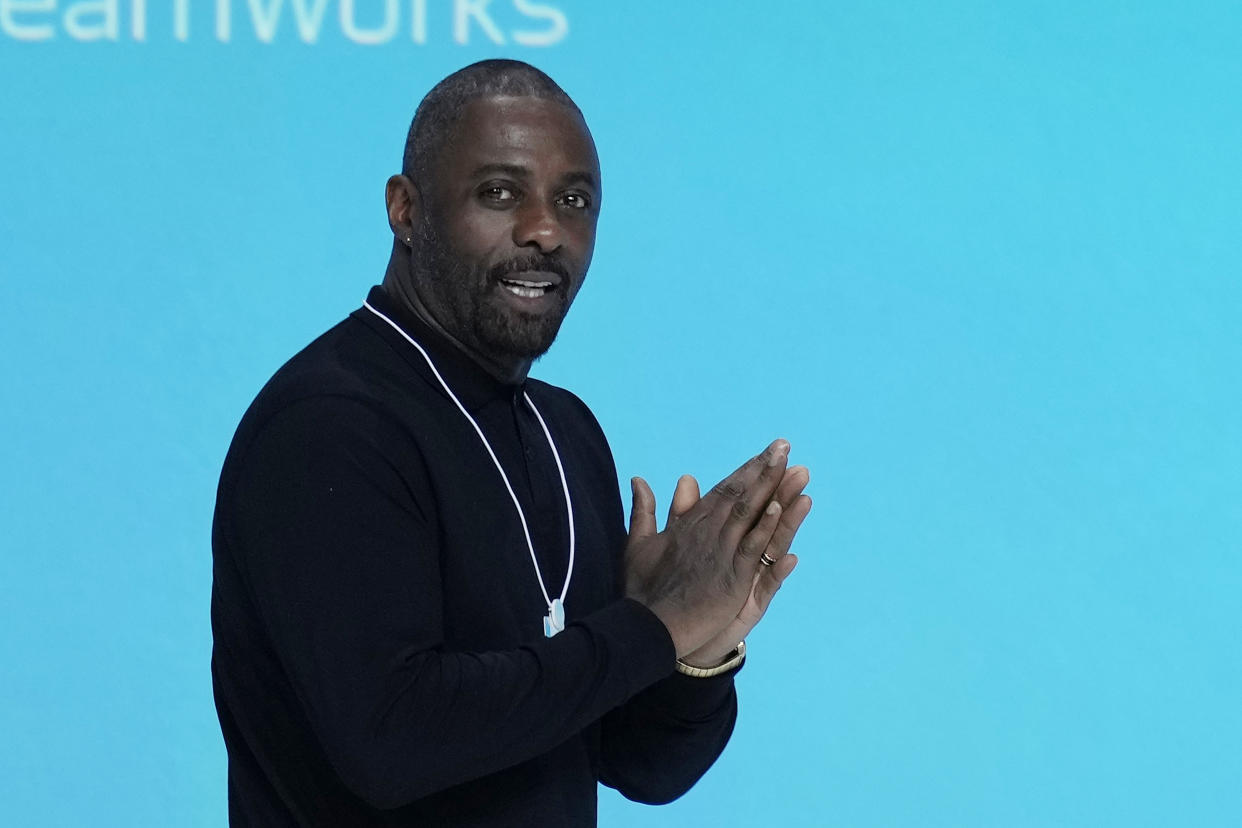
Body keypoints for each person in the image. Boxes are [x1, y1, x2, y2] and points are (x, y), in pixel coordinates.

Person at [211, 59, 812, 826]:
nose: (545, 230)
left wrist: (699, 650)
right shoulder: (328, 427)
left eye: (575, 200)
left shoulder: (566, 434)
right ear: (405, 209)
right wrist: (652, 626)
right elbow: (393, 741)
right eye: (500, 193)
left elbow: (638, 763)